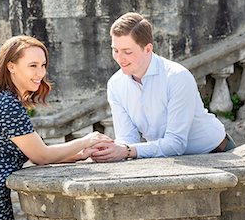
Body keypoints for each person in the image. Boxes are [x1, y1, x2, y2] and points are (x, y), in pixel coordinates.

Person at [0, 35, 112, 220]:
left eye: (43, 65)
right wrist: (86, 140)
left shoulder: (9, 100)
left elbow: (34, 153)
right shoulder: (6, 103)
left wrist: (78, 156)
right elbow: (41, 156)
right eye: (33, 66)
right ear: (11, 66)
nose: (41, 73)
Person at [91, 12, 235, 162]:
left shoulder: (177, 77)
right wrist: (110, 150)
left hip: (217, 153)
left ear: (147, 49)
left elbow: (176, 144)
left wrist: (126, 150)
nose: (120, 59)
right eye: (115, 50)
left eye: (127, 52)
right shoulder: (115, 85)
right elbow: (127, 139)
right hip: (169, 160)